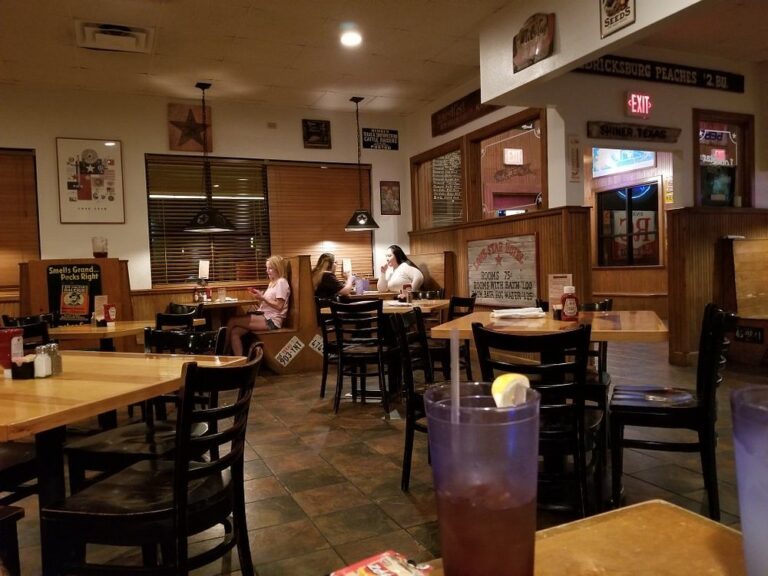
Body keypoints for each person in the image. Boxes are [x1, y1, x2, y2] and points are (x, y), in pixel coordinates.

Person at [226, 255, 290, 356]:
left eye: (270, 268)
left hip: (272, 321)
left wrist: (263, 297)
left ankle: (223, 353)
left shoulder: (282, 282)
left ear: (278, 268)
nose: (267, 271)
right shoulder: (272, 283)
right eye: (267, 268)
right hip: (264, 316)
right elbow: (268, 304)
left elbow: (279, 306)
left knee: (232, 321)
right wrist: (259, 298)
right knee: (235, 332)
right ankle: (240, 363)